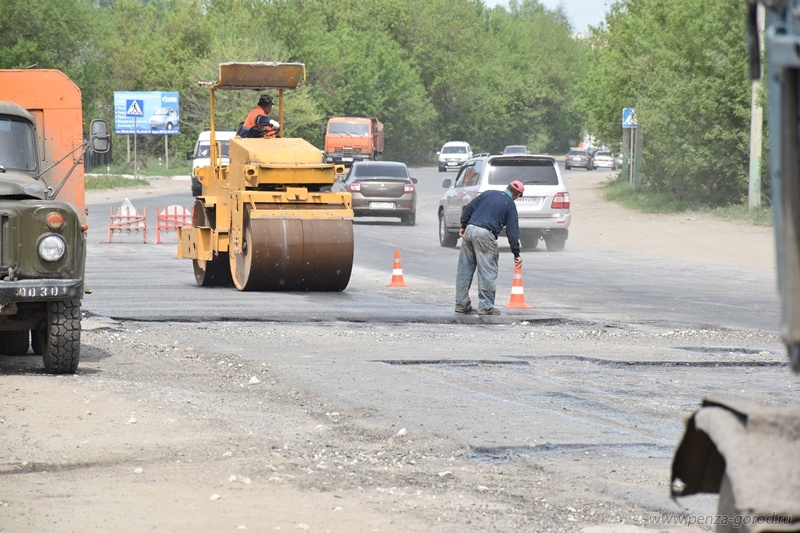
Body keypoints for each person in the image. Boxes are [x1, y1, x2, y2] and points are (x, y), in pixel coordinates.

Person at [455, 180, 524, 315]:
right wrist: (516, 253)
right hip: (485, 233)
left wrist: (464, 225)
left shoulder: (488, 193)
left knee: (464, 270)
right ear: (517, 195)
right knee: (487, 271)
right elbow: (512, 231)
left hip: (470, 229)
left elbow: (468, 209)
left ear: (507, 187)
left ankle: (461, 304)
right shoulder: (510, 204)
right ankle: (486, 307)